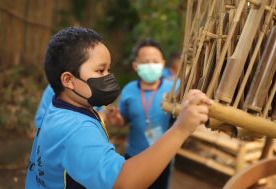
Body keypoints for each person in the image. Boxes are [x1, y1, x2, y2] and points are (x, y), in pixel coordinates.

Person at [25, 27, 212, 189]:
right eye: (100, 70)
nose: (108, 77)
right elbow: (124, 182)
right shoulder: (77, 130)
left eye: (108, 69)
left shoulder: (57, 107)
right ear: (68, 80)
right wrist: (181, 129)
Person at [106, 39, 174, 189]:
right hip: (134, 155)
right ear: (136, 65)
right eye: (146, 61)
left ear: (162, 64)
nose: (151, 65)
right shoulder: (129, 90)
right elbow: (123, 120)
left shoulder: (174, 89)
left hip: (162, 157)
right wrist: (117, 119)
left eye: (155, 61)